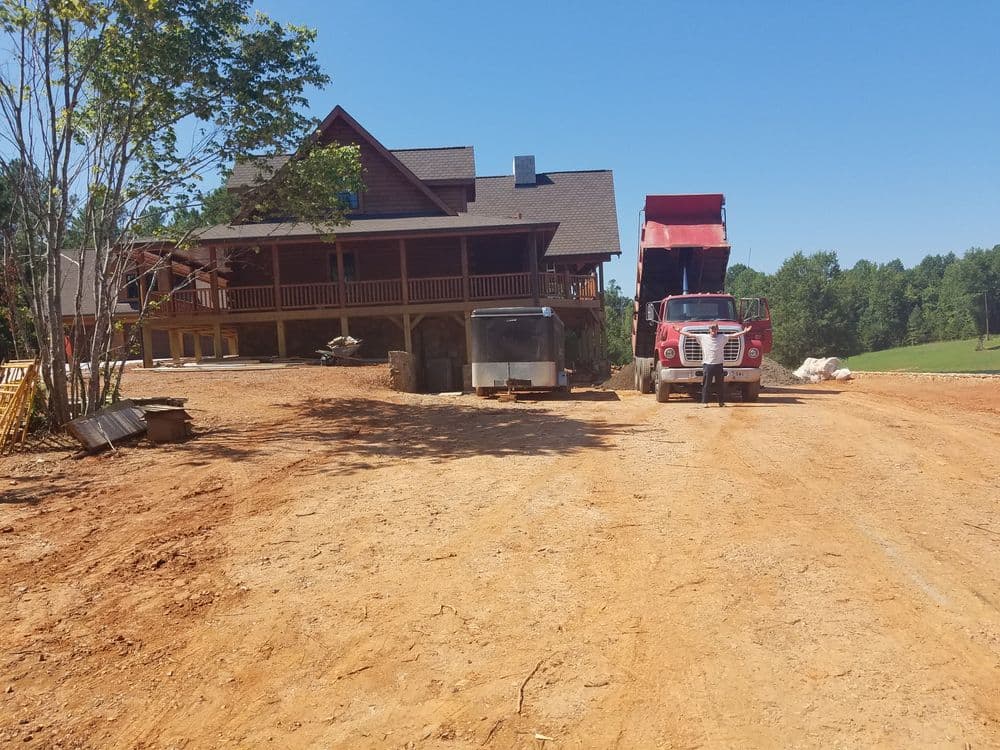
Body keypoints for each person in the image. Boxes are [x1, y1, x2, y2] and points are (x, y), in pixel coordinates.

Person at [672, 323, 751, 407]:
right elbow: (690, 335)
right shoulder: (703, 337)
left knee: (720, 385)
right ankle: (704, 402)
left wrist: (744, 331)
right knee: (706, 385)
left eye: (715, 328)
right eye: (712, 328)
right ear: (709, 330)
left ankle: (721, 403)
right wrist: (679, 331)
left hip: (719, 365)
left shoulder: (722, 337)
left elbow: (734, 335)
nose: (713, 330)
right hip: (708, 365)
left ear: (717, 330)